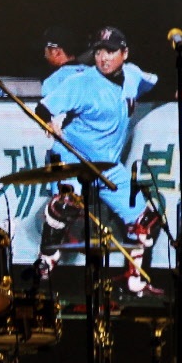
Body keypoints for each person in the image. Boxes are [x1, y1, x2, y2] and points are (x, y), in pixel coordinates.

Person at [34, 27, 164, 296]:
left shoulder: (133, 75)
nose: (104, 58)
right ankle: (44, 264)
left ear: (124, 53)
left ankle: (135, 281)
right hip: (73, 158)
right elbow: (42, 108)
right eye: (99, 52)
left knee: (147, 221)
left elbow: (157, 85)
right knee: (65, 205)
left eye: (111, 51)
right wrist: (49, 122)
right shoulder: (81, 82)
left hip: (108, 165)